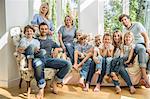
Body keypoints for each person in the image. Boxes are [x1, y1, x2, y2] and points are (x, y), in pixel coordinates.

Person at [38, 22, 71, 97]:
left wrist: (57, 49)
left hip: (49, 60)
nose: (44, 30)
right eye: (42, 29)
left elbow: (62, 49)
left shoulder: (50, 41)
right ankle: (41, 88)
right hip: (40, 60)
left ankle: (55, 81)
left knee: (67, 64)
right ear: (39, 30)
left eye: (45, 29)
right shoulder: (36, 40)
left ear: (48, 30)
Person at [119, 14, 150, 87]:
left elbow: (146, 36)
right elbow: (124, 42)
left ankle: (147, 73)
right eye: (122, 21)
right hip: (133, 45)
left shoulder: (137, 25)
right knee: (141, 49)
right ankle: (144, 76)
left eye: (125, 19)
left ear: (129, 19)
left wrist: (148, 47)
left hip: (141, 43)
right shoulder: (124, 30)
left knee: (143, 49)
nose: (124, 21)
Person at [17, 25, 46, 99]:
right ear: (25, 33)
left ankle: (40, 62)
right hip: (27, 56)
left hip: (35, 55)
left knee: (43, 51)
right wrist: (30, 48)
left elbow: (38, 49)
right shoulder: (23, 40)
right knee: (31, 46)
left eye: (31, 31)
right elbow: (21, 49)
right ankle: (30, 64)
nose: (29, 32)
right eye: (27, 31)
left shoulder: (36, 40)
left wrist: (34, 49)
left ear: (33, 32)